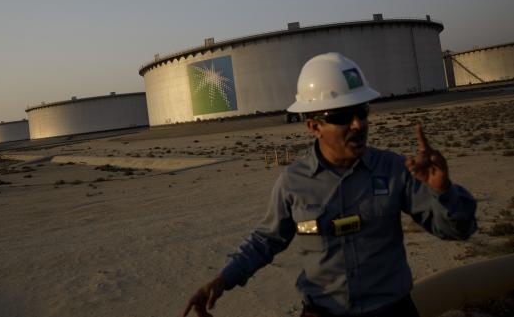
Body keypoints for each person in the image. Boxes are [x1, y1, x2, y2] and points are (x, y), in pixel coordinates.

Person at [183, 52, 477, 317]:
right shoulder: (293, 183)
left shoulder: (394, 170)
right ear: (314, 127)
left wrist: (443, 191)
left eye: (362, 112)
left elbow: (459, 231)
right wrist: (222, 280)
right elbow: (265, 241)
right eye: (342, 116)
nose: (357, 125)